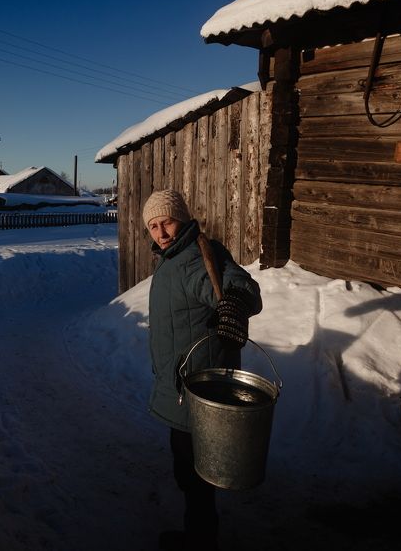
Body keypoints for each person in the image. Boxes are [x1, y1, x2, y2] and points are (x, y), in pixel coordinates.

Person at [142, 189, 262, 551]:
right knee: (188, 469)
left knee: (196, 473)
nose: (161, 232)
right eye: (153, 226)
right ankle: (199, 532)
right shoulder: (172, 257)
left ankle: (200, 539)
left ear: (182, 218)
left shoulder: (195, 257)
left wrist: (235, 304)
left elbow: (241, 286)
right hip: (178, 383)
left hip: (194, 388)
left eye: (167, 222)